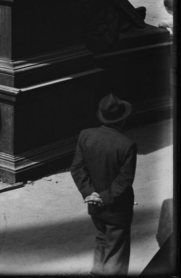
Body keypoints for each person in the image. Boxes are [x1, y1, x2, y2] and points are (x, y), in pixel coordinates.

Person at [71, 94, 137, 276]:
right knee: (116, 252)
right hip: (117, 208)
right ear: (122, 119)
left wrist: (91, 194)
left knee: (101, 239)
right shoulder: (127, 145)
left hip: (94, 204)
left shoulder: (85, 135)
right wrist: (104, 198)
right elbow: (125, 180)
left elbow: (77, 169)